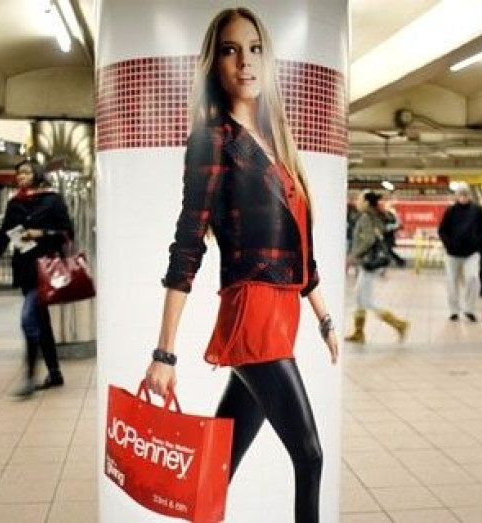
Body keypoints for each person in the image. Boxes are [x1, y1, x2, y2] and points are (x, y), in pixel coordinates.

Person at [144, 8, 338, 523]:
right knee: (310, 455)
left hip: (283, 313)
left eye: (254, 48)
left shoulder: (277, 141)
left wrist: (323, 317)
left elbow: (300, 246)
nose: (245, 62)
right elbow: (188, 244)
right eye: (230, 50)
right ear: (215, 63)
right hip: (253, 313)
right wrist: (165, 354)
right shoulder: (214, 139)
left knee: (220, 462)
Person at [0, 160, 73, 398]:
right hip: (26, 270)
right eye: (18, 174)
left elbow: (68, 232)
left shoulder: (53, 200)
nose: (21, 177)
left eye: (27, 172)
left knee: (29, 320)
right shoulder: (15, 203)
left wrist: (41, 233)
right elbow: (3, 238)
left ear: (37, 174)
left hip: (47, 270)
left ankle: (29, 377)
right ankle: (55, 373)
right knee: (41, 321)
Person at [345, 191, 409, 344]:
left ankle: (399, 324)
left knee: (366, 300)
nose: (357, 201)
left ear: (366, 202)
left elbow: (368, 239)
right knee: (359, 297)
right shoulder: (375, 215)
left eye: (360, 199)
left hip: (369, 263)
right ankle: (359, 333)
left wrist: (353, 255)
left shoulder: (367, 217)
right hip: (371, 262)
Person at [438, 182, 482, 322]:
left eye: (465, 194)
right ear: (456, 196)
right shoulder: (450, 211)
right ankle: (454, 310)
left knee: (473, 278)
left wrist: (479, 242)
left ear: (469, 195)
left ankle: (469, 309)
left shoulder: (477, 211)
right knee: (451, 282)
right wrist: (448, 244)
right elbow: (442, 229)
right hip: (452, 254)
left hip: (471, 253)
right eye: (460, 194)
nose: (463, 197)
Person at [381, 201, 406, 267]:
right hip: (387, 234)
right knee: (386, 249)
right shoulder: (386, 214)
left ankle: (399, 261)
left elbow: (397, 224)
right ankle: (399, 261)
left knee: (387, 249)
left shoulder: (392, 214)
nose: (386, 207)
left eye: (387, 206)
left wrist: (388, 227)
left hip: (388, 235)